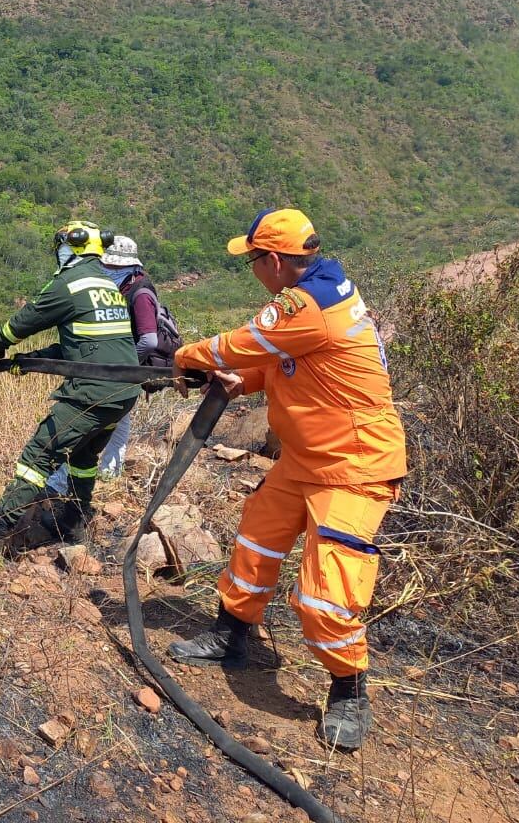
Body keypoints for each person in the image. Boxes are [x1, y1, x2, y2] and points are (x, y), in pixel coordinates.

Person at [166, 208, 406, 753]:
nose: (252, 269)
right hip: (306, 459)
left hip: (353, 466)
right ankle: (231, 635)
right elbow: (279, 363)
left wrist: (185, 357)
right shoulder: (319, 291)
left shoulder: (307, 306)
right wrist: (235, 381)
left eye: (252, 260)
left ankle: (348, 687)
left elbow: (238, 345)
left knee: (327, 593)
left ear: (273, 260)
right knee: (257, 537)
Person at [0, 221, 140, 552]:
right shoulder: (106, 285)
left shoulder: (71, 282)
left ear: (74, 247)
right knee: (83, 457)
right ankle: (74, 524)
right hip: (123, 392)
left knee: (38, 456)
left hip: (92, 393)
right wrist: (31, 360)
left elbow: (27, 319)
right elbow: (80, 345)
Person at [46, 234, 154, 490]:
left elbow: (149, 339)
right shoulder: (125, 288)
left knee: (85, 423)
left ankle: (63, 480)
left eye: (112, 267)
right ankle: (109, 472)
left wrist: (121, 364)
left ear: (127, 266)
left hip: (121, 373)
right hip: (119, 374)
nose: (107, 270)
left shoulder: (140, 293)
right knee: (118, 422)